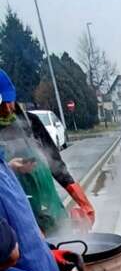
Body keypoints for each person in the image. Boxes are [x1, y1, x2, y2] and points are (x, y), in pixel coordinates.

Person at [0, 70, 95, 234]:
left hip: (53, 210)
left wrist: (84, 203)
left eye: (9, 101)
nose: (8, 108)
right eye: (2, 104)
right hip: (22, 221)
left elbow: (57, 165)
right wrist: (10, 168)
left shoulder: (31, 123)